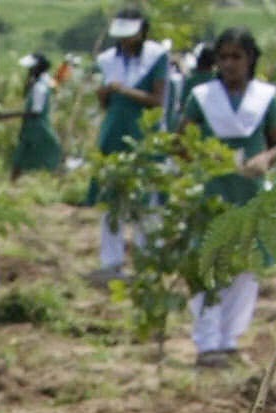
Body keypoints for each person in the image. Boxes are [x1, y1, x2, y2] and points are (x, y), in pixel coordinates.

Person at [176, 28, 276, 365]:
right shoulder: (202, 97)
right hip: (211, 192)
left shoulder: (266, 97)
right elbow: (181, 143)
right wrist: (205, 159)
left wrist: (265, 158)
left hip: (248, 191)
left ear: (250, 59)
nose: (229, 64)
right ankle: (207, 341)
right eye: (223, 58)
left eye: (237, 57)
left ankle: (229, 339)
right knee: (209, 263)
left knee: (245, 267)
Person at [89, 13, 169, 283]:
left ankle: (146, 263)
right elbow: (104, 104)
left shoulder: (157, 57)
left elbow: (158, 100)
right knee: (112, 199)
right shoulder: (107, 60)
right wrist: (105, 93)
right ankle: (111, 263)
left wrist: (123, 90)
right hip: (114, 132)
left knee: (146, 200)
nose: (125, 40)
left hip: (143, 132)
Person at [6, 52, 63, 175]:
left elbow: (35, 111)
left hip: (37, 126)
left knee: (48, 151)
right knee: (24, 154)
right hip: (33, 126)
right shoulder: (39, 84)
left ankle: (53, 175)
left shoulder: (40, 87)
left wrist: (9, 115)